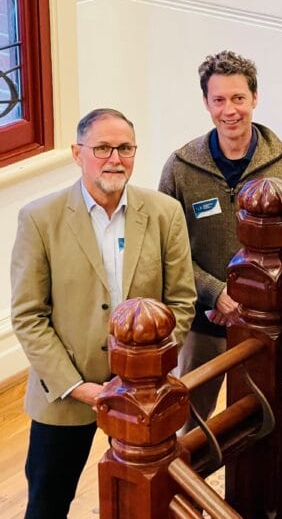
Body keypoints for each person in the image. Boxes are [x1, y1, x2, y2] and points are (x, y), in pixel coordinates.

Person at [10, 108, 197, 519]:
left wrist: (144, 373)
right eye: (103, 148)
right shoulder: (40, 219)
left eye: (125, 148)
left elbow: (181, 302)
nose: (115, 158)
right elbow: (28, 316)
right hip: (65, 395)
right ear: (78, 154)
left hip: (142, 393)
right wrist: (78, 387)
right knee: (47, 503)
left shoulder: (165, 213)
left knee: (148, 502)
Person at [159, 50, 282, 429]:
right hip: (203, 323)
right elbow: (165, 250)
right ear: (206, 104)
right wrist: (216, 294)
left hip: (267, 325)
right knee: (190, 427)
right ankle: (190, 491)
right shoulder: (180, 167)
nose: (230, 110)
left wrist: (253, 296)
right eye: (219, 99)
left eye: (239, 98)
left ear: (255, 98)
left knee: (265, 422)